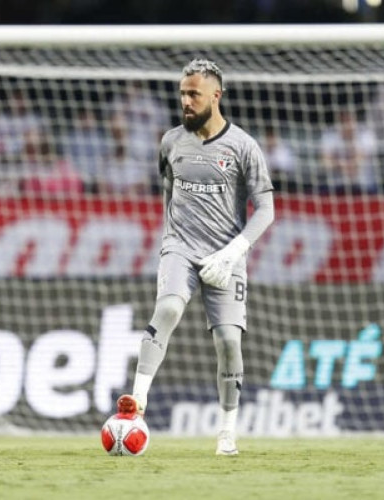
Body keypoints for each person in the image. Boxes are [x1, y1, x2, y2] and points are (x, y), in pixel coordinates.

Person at [116, 59, 275, 456]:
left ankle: (227, 432)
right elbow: (168, 191)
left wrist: (235, 252)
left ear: (215, 96)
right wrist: (171, 239)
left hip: (227, 254)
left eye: (194, 95)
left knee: (227, 342)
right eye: (183, 94)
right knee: (168, 308)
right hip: (180, 247)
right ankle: (137, 403)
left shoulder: (243, 146)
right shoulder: (171, 141)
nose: (186, 101)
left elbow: (266, 210)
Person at [318, 110, 378, 193]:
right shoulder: (330, 134)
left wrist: (339, 164)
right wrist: (343, 166)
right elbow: (325, 162)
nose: (347, 124)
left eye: (350, 119)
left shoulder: (365, 133)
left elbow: (359, 160)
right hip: (336, 185)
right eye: (344, 120)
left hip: (363, 185)